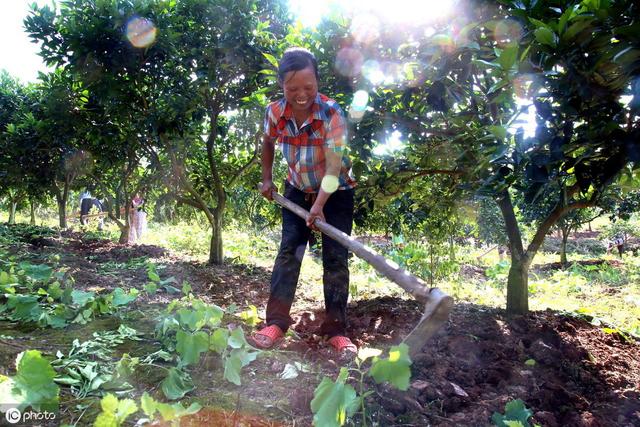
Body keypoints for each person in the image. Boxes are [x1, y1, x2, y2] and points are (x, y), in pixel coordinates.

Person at [252, 47, 357, 355]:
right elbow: (268, 144)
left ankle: (336, 329)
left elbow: (335, 167)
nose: (301, 94)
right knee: (289, 253)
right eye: (292, 88)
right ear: (282, 86)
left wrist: (321, 203)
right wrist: (268, 179)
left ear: (318, 83)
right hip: (297, 188)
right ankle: (276, 323)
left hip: (335, 192)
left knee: (336, 257)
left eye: (308, 87)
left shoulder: (331, 113)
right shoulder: (274, 113)